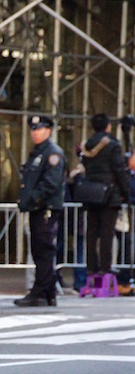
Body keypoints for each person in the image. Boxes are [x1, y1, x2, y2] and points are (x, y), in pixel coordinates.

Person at [15, 114, 66, 307]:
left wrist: (32, 199)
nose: (35, 133)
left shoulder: (52, 153)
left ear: (49, 130)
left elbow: (50, 183)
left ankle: (40, 290)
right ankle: (47, 290)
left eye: (39, 129)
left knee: (44, 250)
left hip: (45, 208)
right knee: (39, 250)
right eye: (33, 129)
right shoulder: (38, 153)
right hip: (37, 208)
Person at [79, 113, 129, 276]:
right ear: (108, 126)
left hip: (91, 192)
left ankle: (91, 266)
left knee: (92, 232)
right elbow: (119, 170)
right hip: (109, 193)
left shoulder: (86, 145)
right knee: (107, 233)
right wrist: (125, 191)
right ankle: (105, 267)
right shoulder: (113, 145)